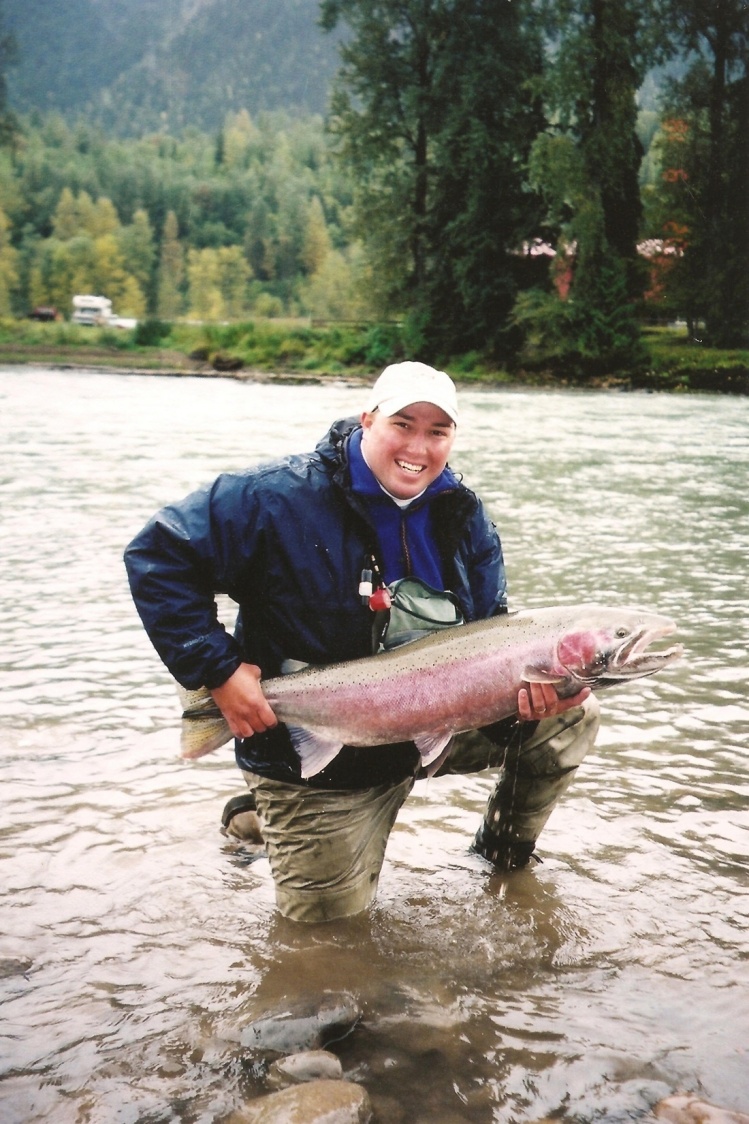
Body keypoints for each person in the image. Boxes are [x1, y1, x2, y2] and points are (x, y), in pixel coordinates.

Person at [125, 362, 599, 922]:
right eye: (403, 424)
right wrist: (220, 672)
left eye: (437, 432)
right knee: (328, 945)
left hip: (427, 728)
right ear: (366, 420)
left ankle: (501, 859)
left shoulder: (463, 517)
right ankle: (264, 811)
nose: (418, 447)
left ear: (453, 438)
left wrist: (517, 709)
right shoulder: (272, 499)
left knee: (571, 717)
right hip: (323, 763)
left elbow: (487, 641)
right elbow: (159, 556)